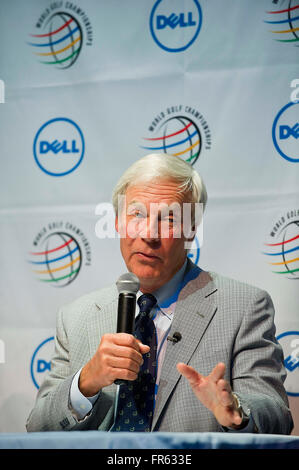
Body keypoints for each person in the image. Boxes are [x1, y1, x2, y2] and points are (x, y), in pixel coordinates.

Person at [26, 153, 293, 434]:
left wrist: (237, 412)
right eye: (137, 214)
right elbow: (38, 427)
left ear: (192, 230)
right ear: (117, 221)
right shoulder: (76, 317)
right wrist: (85, 382)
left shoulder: (243, 307)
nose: (149, 234)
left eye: (168, 219)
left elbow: (276, 416)